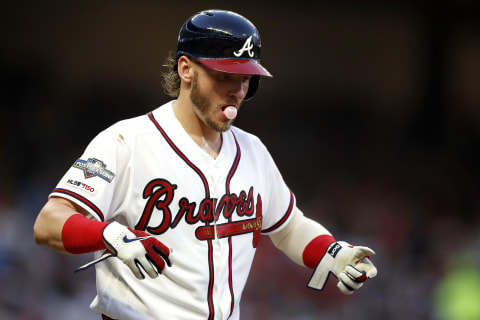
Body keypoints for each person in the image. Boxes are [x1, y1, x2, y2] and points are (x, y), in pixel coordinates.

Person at [33, 9, 377, 320]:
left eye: (245, 79)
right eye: (224, 76)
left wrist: (329, 250)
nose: (237, 91)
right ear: (186, 69)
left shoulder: (252, 150)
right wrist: (108, 233)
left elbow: (288, 225)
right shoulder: (126, 141)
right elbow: (49, 222)